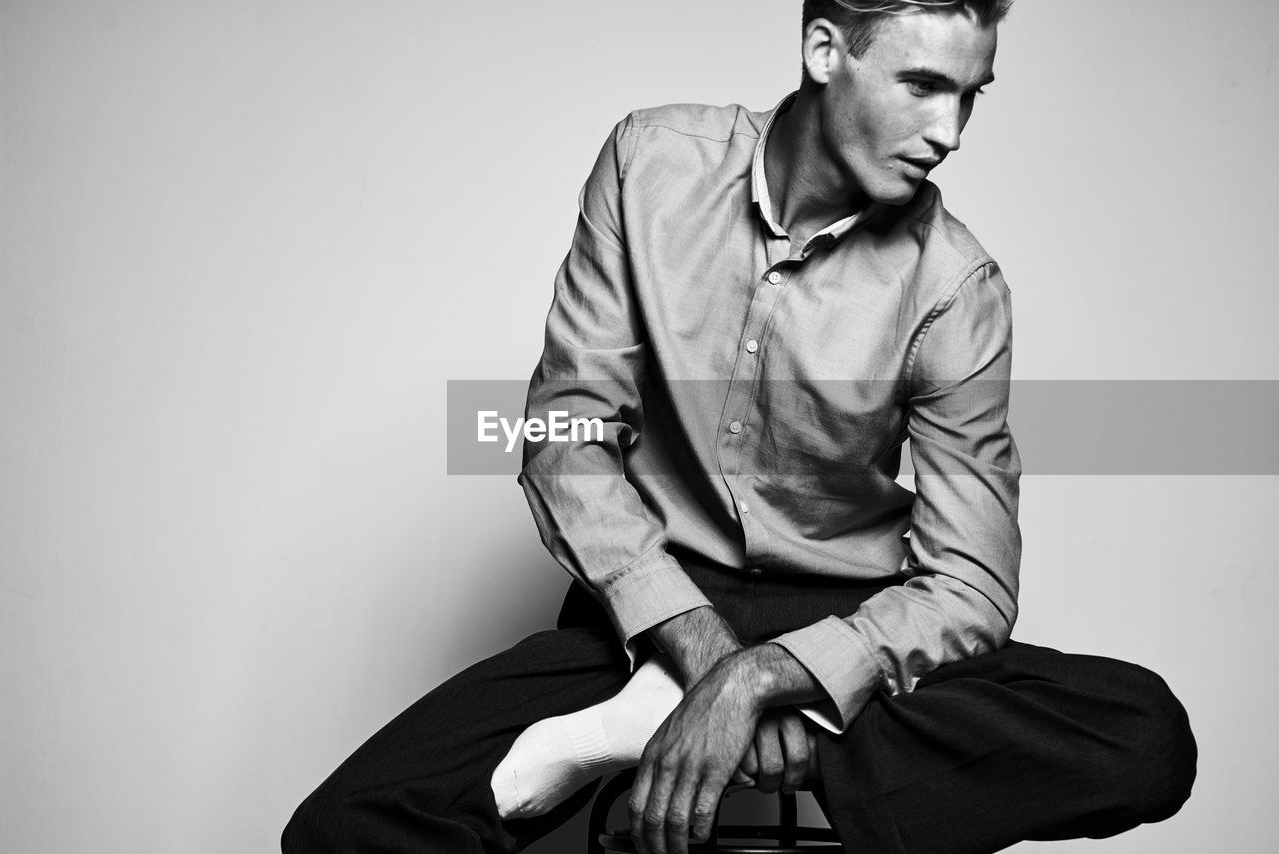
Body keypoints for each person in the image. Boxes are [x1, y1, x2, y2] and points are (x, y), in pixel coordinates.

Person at [283, 2, 1197, 852]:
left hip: (844, 613)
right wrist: (699, 649)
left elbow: (971, 582)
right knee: (338, 831)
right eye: (922, 86)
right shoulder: (651, 165)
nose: (950, 134)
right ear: (824, 52)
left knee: (1144, 739)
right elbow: (568, 432)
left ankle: (695, 723)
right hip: (647, 605)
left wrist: (770, 681)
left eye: (970, 97)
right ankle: (665, 711)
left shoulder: (958, 290)